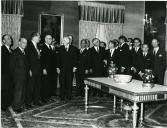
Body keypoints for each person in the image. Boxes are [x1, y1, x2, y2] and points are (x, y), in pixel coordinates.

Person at [10, 38, 28, 113]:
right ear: (19, 42)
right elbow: (11, 66)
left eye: (26, 43)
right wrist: (14, 77)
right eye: (23, 42)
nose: (25, 44)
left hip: (24, 76)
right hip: (18, 77)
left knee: (23, 91)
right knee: (18, 92)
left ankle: (20, 105)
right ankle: (16, 107)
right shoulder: (15, 52)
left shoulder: (24, 52)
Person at [56, 37, 78, 101]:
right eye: (63, 40)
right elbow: (58, 59)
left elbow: (75, 59)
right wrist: (57, 67)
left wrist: (75, 67)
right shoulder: (61, 48)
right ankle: (62, 96)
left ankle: (69, 96)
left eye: (64, 41)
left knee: (69, 82)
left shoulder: (74, 48)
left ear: (68, 41)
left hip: (70, 69)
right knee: (62, 82)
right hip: (62, 69)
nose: (63, 42)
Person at [25, 32, 42, 107]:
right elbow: (26, 59)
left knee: (37, 86)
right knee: (30, 87)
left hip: (38, 69)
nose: (40, 38)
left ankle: (36, 101)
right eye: (39, 37)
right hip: (32, 70)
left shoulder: (37, 46)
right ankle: (28, 102)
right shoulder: (28, 45)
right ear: (34, 37)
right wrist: (29, 70)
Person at [40, 34, 55, 102]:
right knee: (45, 84)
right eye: (49, 38)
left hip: (51, 69)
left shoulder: (50, 47)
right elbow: (41, 59)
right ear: (45, 39)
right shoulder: (42, 47)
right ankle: (44, 98)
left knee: (49, 83)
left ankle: (48, 96)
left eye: (51, 39)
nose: (50, 40)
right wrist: (43, 68)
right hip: (45, 69)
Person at [1, 34, 13, 110]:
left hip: (11, 74)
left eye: (10, 38)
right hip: (4, 74)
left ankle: (8, 103)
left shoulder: (11, 50)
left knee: (10, 89)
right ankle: (3, 105)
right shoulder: (2, 49)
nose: (10, 39)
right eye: (8, 38)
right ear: (3, 41)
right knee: (4, 89)